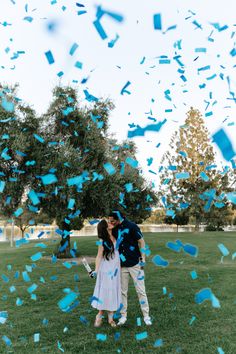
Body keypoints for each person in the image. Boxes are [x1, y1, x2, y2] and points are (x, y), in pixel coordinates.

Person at [108, 210, 152, 326]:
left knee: (141, 291)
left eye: (112, 220)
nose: (110, 222)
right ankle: (123, 316)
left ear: (118, 218)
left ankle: (146, 316)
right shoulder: (115, 229)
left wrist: (143, 259)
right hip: (121, 266)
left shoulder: (132, 226)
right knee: (123, 292)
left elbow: (142, 242)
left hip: (135, 264)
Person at [91, 219, 121, 327]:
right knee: (105, 293)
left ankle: (110, 319)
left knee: (113, 291)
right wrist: (96, 271)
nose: (110, 223)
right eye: (108, 223)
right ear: (104, 227)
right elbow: (99, 256)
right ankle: (99, 315)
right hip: (106, 269)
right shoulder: (102, 240)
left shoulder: (116, 236)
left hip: (115, 269)